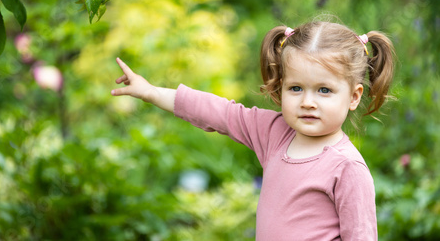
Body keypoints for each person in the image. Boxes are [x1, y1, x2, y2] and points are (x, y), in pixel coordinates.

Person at [111, 19, 395, 240]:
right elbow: (218, 112)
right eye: (296, 88)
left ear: (354, 97)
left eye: (324, 90)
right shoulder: (274, 133)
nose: (308, 102)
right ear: (281, 87)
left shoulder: (346, 168)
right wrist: (150, 92)